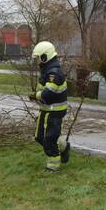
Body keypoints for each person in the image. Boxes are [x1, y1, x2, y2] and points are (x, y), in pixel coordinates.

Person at [32, 41, 70, 171]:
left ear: (45, 57)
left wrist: (36, 95)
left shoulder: (54, 73)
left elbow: (48, 94)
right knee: (39, 137)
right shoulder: (47, 70)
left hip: (55, 112)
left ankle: (52, 166)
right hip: (46, 110)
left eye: (38, 58)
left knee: (49, 139)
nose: (37, 61)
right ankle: (64, 146)